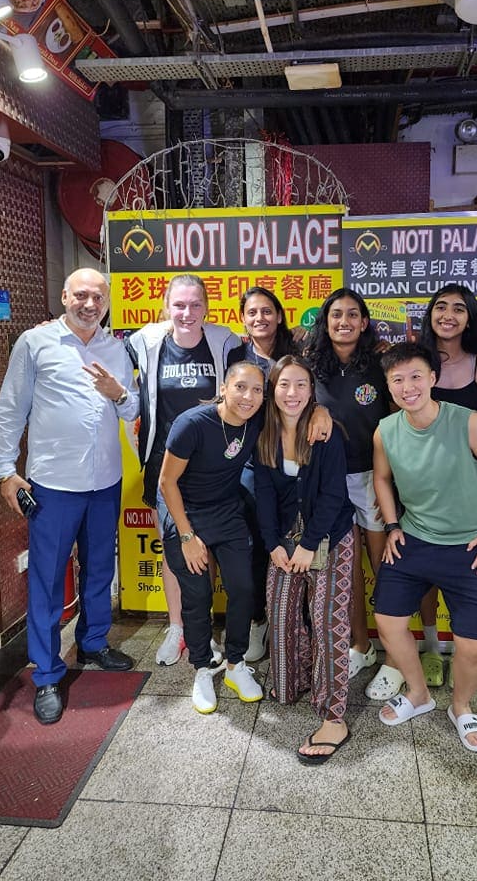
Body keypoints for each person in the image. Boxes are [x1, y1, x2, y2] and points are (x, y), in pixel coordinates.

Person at [0, 268, 139, 726]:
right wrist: (5, 471)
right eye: (81, 295)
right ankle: (47, 673)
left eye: (98, 297)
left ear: (108, 301)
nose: (90, 304)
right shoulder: (36, 343)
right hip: (53, 485)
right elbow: (11, 408)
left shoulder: (116, 348)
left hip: (105, 481)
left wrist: (119, 394)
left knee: (100, 569)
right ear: (64, 296)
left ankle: (93, 643)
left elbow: (133, 408)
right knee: (47, 579)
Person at [372, 343, 477, 752]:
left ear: (433, 378)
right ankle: (418, 694)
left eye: (416, 376)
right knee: (388, 622)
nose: (408, 387)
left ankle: (462, 706)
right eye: (398, 380)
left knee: (474, 649)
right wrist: (392, 524)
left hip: (471, 546)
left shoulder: (468, 423)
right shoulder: (385, 430)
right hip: (414, 539)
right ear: (388, 386)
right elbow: (381, 478)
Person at [127, 274, 240, 666]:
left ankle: (205, 630)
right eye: (179, 304)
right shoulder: (145, 342)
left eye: (195, 304)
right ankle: (178, 628)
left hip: (215, 465)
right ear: (166, 307)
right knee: (175, 549)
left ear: (207, 307)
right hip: (165, 465)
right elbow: (104, 355)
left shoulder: (225, 342)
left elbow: (254, 380)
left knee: (209, 547)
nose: (187, 312)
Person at [254, 356, 354, 764]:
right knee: (280, 613)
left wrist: (310, 544)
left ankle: (333, 715)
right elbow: (263, 494)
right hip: (284, 538)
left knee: (328, 620)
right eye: (283, 384)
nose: (291, 393)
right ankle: (290, 682)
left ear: (312, 391)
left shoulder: (325, 431)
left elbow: (333, 495)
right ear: (272, 389)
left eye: (300, 385)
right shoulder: (264, 433)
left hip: (329, 536)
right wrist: (273, 544)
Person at [157, 361, 268, 714]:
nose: (248, 396)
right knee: (198, 595)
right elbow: (166, 482)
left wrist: (321, 414)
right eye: (240, 387)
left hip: (226, 511)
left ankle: (235, 664)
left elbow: (299, 408)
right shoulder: (191, 424)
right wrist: (187, 535)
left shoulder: (256, 421)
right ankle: (202, 668)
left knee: (243, 588)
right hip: (185, 513)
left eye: (257, 390)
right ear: (223, 388)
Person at [305, 288, 397, 699]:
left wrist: (388, 480)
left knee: (384, 567)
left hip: (372, 477)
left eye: (352, 314)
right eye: (336, 314)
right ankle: (362, 644)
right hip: (328, 481)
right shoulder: (312, 365)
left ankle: (396, 657)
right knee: (347, 569)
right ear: (325, 322)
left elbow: (397, 419)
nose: (344, 321)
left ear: (364, 322)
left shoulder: (380, 363)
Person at [415, 284, 477, 687]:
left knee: (464, 570)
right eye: (441, 307)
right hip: (418, 487)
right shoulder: (414, 361)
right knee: (424, 573)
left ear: (470, 319)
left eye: (459, 309)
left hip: (469, 492)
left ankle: (466, 650)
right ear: (430, 313)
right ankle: (431, 646)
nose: (448, 315)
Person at [225, 286, 300, 660]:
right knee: (255, 544)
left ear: (279, 315)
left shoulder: (298, 352)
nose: (260, 318)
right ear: (243, 319)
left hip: (292, 460)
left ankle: (293, 623)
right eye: (252, 312)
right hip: (249, 462)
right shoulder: (236, 356)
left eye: (267, 311)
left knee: (292, 538)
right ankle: (258, 621)